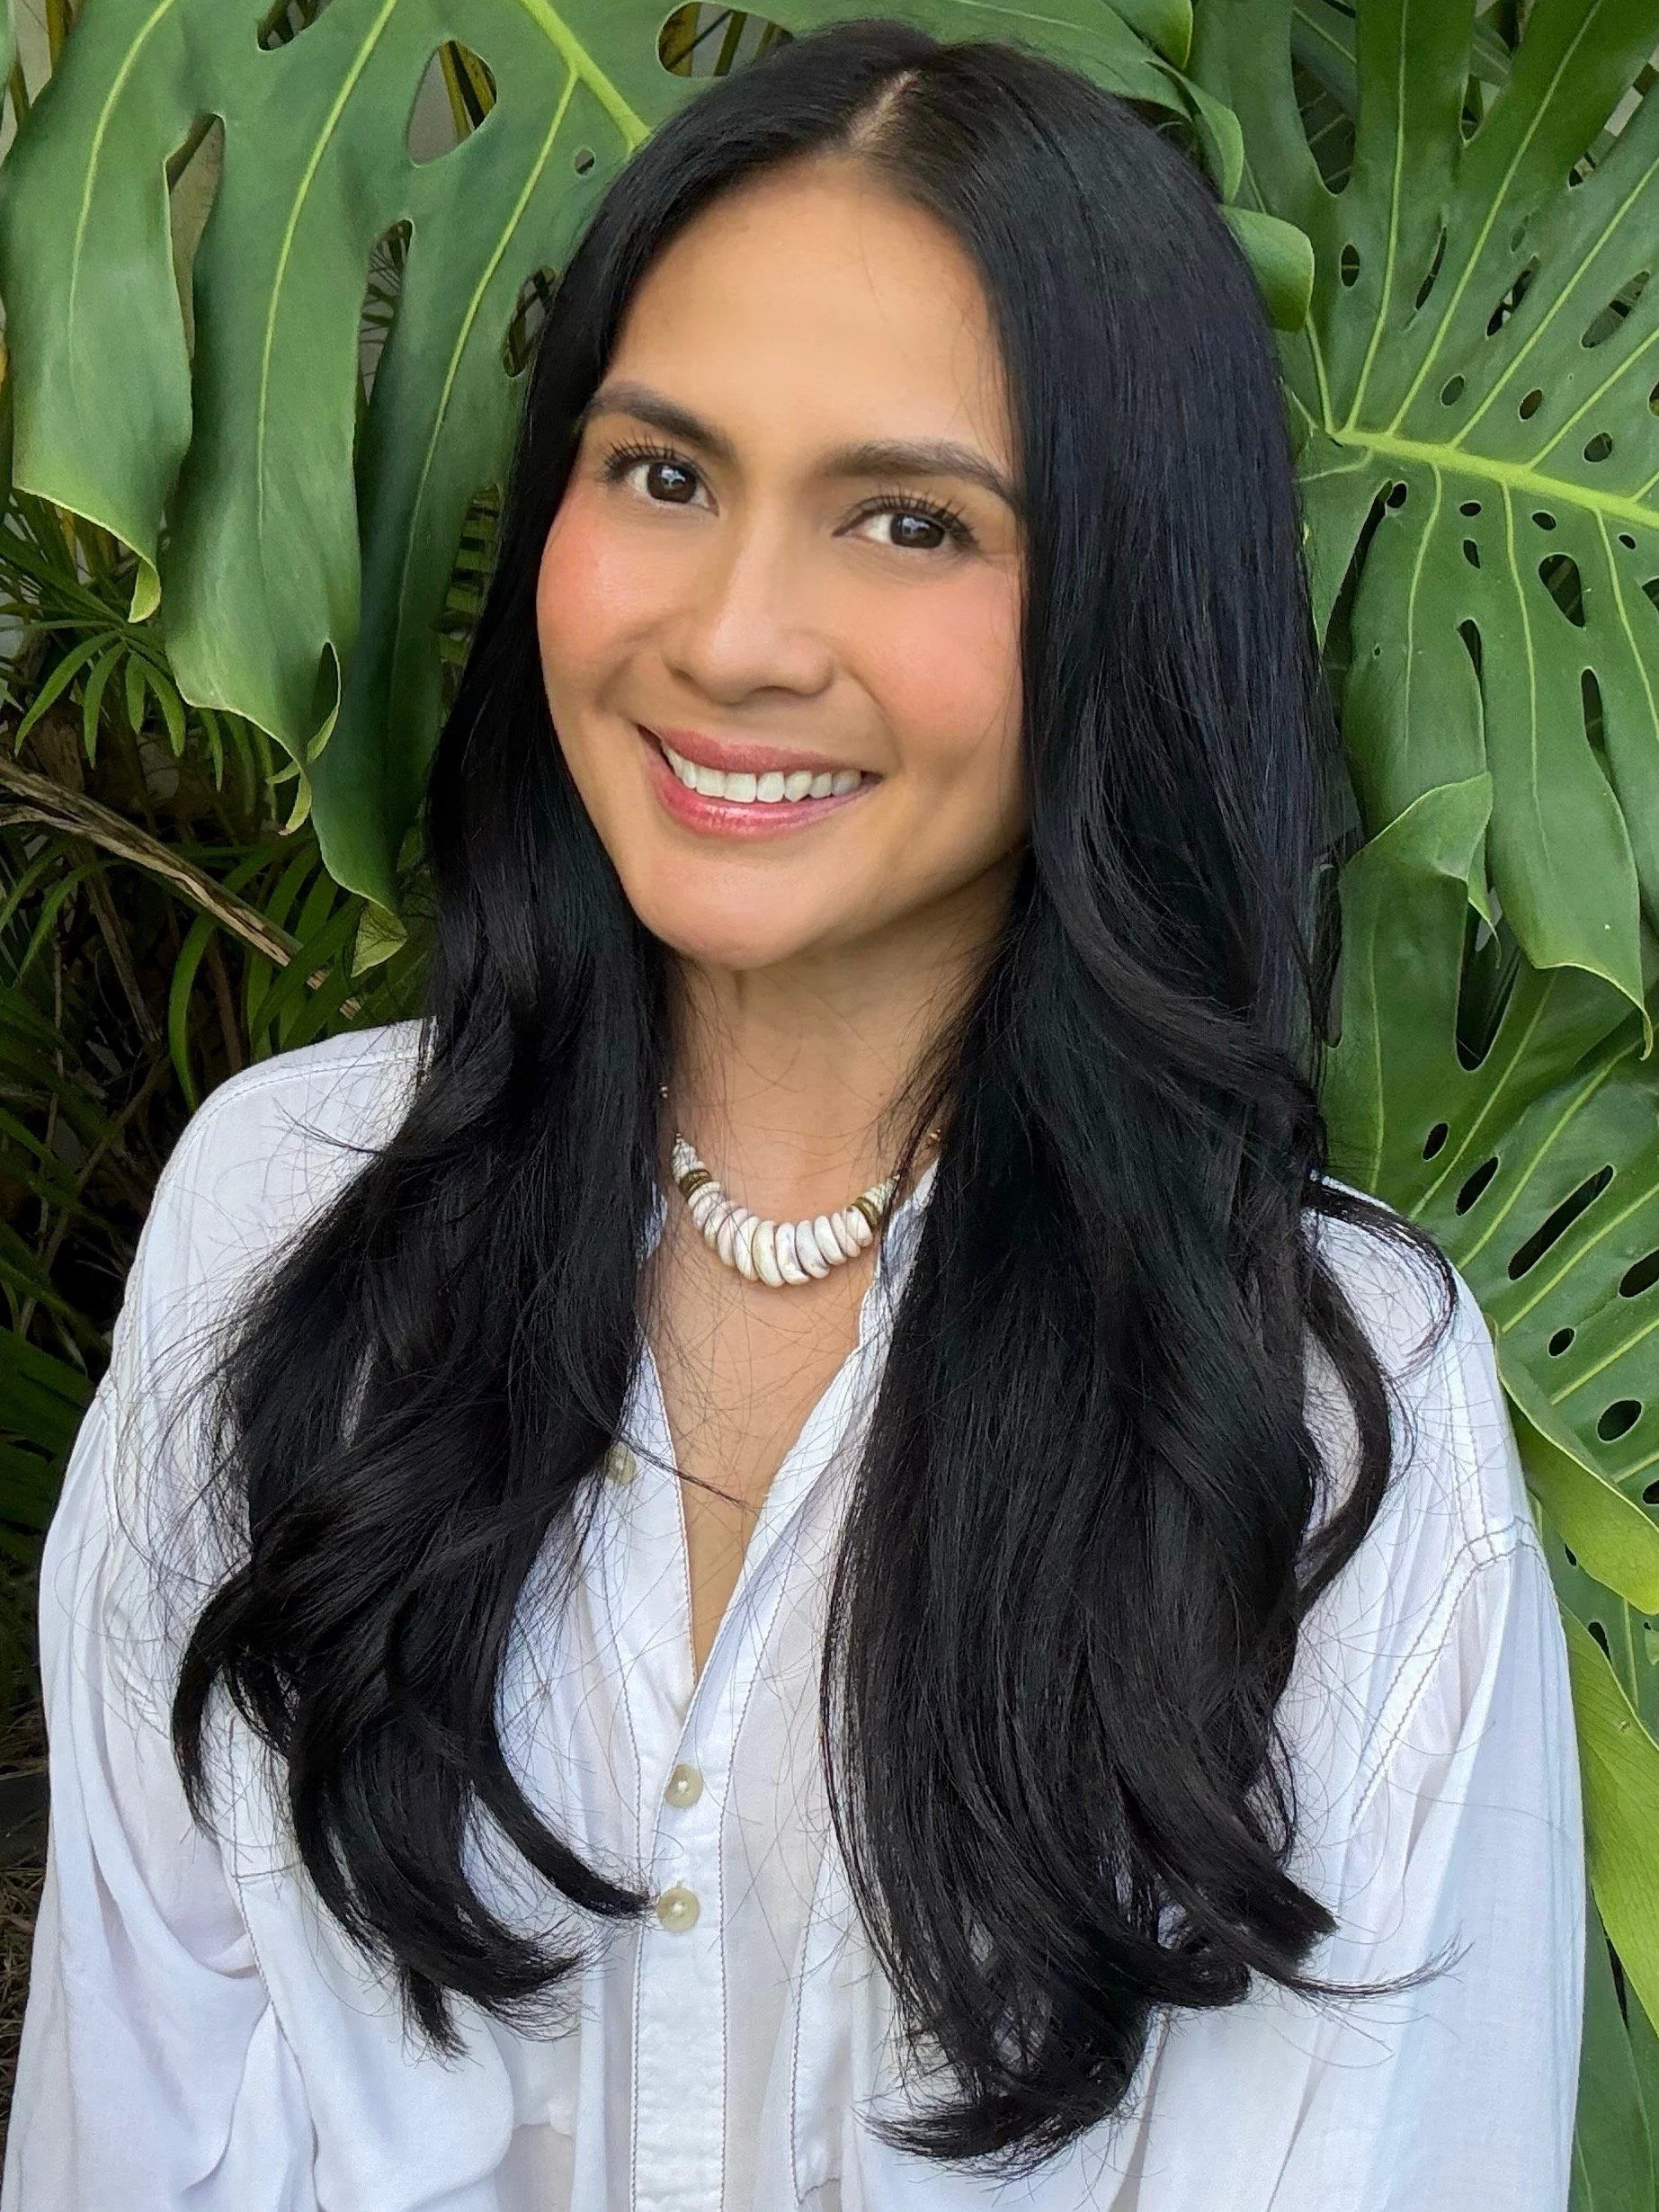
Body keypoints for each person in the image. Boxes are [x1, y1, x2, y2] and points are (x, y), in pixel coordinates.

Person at [4, 19, 1583, 2210]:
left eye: (910, 521)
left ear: (1127, 598)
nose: (736, 636)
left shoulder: (1320, 1412)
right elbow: (132, 2098)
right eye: (661, 475)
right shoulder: (282, 1215)